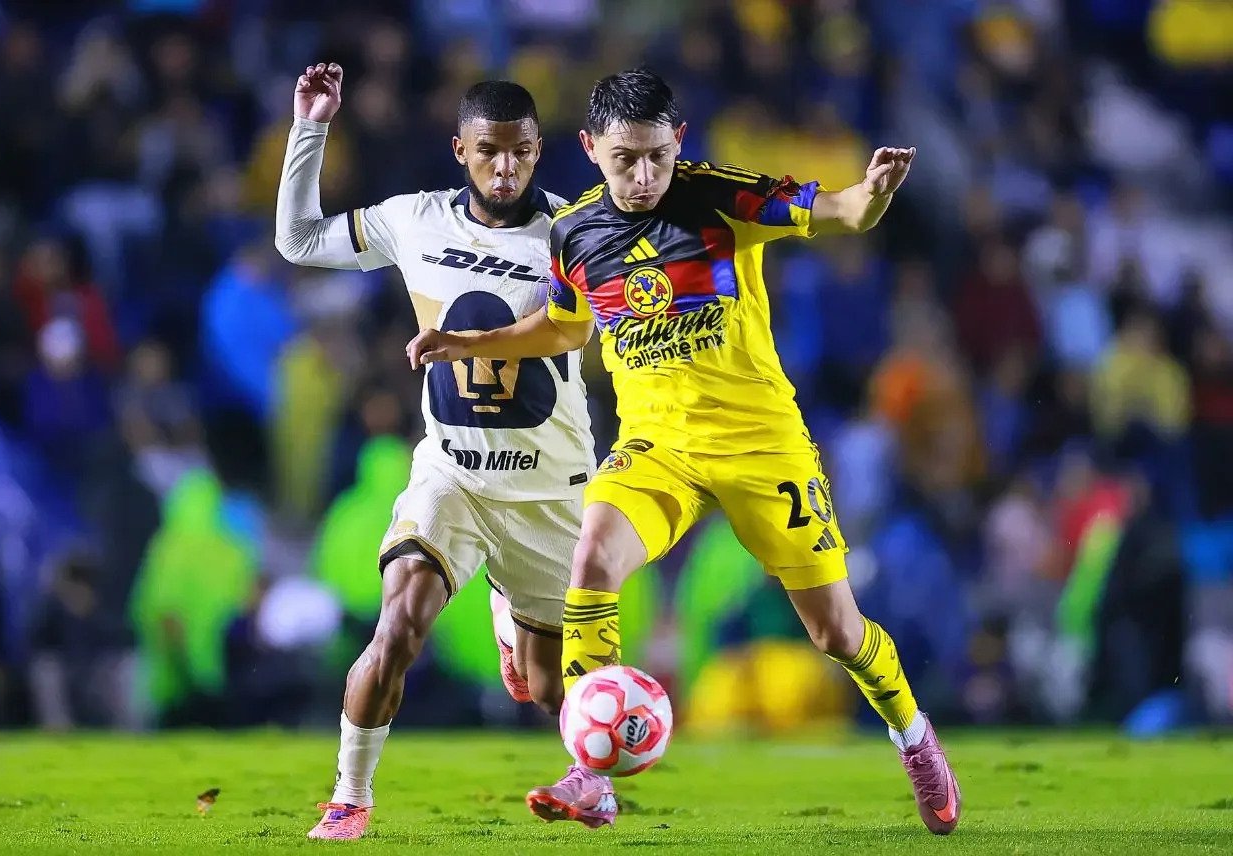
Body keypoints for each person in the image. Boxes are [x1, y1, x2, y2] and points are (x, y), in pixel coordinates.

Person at [408, 68, 962, 835]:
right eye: (624, 160)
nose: (643, 176)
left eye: (657, 158)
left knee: (836, 632)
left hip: (761, 446)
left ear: (680, 141)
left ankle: (913, 735)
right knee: (591, 559)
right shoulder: (575, 233)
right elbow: (566, 327)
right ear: (590, 148)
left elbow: (840, 211)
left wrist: (873, 192)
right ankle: (590, 775)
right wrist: (472, 342)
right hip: (656, 447)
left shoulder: (721, 199)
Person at [276, 64, 608, 839]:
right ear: (461, 150)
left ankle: (518, 631)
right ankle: (349, 797)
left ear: (539, 150)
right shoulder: (415, 220)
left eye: (520, 151)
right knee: (399, 625)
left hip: (550, 490)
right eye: (489, 150)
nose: (505, 167)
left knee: (549, 691)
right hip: (452, 476)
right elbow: (298, 241)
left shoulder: (576, 232)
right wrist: (311, 127)